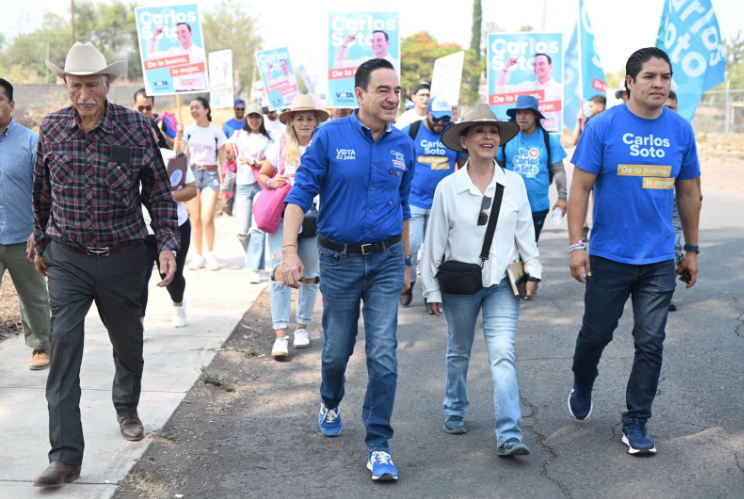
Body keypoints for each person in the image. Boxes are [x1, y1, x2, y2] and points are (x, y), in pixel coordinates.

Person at [32, 42, 179, 488]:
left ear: (108, 84)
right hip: (69, 259)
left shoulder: (135, 127)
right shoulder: (51, 128)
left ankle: (126, 406)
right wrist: (42, 243)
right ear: (66, 84)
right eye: (75, 85)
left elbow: (159, 193)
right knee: (63, 345)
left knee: (128, 342)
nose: (84, 95)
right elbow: (41, 194)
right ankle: (65, 456)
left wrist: (167, 245)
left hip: (124, 257)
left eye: (92, 85)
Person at [281, 58, 414, 482]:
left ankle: (379, 444)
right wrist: (289, 251)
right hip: (338, 261)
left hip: (387, 260)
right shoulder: (329, 136)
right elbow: (299, 195)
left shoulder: (404, 145)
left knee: (383, 353)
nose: (393, 98)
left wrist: (406, 262)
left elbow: (403, 207)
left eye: (397, 91)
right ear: (360, 94)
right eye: (383, 90)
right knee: (337, 350)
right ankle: (330, 399)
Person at [566, 47, 701, 456]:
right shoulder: (603, 126)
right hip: (609, 256)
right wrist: (577, 245)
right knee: (596, 335)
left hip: (658, 259)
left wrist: (691, 249)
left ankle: (636, 420)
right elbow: (580, 188)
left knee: (651, 342)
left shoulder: (680, 130)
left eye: (665, 77)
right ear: (630, 82)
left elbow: (689, 193)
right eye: (650, 77)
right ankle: (583, 380)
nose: (659, 84)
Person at [422, 104, 540, 456]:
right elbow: (434, 241)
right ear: (464, 141)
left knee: (503, 353)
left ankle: (509, 434)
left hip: (503, 282)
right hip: (460, 284)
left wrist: (533, 271)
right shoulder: (448, 187)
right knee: (459, 350)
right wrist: (430, 288)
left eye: (493, 132)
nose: (488, 137)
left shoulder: (514, 183)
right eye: (479, 131)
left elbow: (525, 233)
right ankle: (454, 408)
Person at [257, 95, 328, 358]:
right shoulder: (280, 147)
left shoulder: (323, 147)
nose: (305, 123)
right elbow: (263, 174)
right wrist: (270, 182)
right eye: (300, 118)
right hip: (282, 218)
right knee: (280, 272)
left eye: (310, 118)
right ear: (292, 122)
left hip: (312, 219)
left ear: (316, 121)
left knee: (309, 274)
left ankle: (302, 327)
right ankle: (280, 335)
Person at [0, 78, 52, 370]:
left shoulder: (31, 141)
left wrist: (39, 228)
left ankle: (41, 346)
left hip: (24, 236)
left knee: (33, 296)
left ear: (11, 104)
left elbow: (45, 189)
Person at [398, 96, 466, 310]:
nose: (440, 123)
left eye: (445, 119)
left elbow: (464, 165)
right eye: (436, 118)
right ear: (427, 113)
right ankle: (409, 282)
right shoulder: (412, 131)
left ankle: (431, 293)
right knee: (412, 245)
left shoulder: (453, 133)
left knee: (437, 251)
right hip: (414, 201)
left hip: (442, 203)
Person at [139, 122, 197, 330]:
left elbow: (191, 190)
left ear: (157, 135)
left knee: (170, 275)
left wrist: (162, 197)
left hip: (174, 227)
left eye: (149, 133)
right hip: (141, 230)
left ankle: (178, 303)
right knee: (139, 277)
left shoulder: (174, 158)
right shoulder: (127, 158)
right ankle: (138, 324)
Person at [496, 95, 568, 242]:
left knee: (529, 249)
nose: (521, 116)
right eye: (518, 112)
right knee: (508, 249)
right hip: (509, 206)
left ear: (535, 115)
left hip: (537, 208)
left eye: (527, 112)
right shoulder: (506, 139)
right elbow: (496, 170)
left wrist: (562, 197)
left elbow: (558, 170)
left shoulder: (548, 139)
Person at [179, 97, 227, 271]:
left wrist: (224, 183)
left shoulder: (216, 132)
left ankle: (210, 254)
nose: (193, 110)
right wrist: (178, 135)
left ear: (206, 110)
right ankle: (198, 255)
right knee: (196, 218)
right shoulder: (188, 130)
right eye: (191, 107)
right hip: (192, 174)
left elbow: (223, 159)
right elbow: (178, 151)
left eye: (197, 107)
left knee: (207, 217)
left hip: (211, 175)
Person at [229, 103, 272, 283]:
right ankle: (253, 258)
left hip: (261, 185)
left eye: (257, 116)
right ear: (246, 118)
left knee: (257, 228)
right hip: (243, 185)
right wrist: (229, 152)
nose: (254, 120)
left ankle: (254, 267)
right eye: (251, 116)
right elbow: (229, 152)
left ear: (262, 118)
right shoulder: (238, 135)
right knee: (243, 232)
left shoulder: (268, 138)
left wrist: (253, 162)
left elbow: (272, 161)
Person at [496, 53, 563, 132]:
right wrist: (506, 66)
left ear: (550, 66)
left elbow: (563, 115)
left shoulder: (559, 89)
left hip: (550, 132)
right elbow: (500, 91)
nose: (537, 67)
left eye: (541, 64)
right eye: (535, 65)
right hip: (529, 134)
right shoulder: (527, 86)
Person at [148, 22, 207, 92]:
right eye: (178, 33)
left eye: (183, 31)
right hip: (180, 92)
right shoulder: (173, 52)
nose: (180, 35)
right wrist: (154, 36)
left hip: (198, 91)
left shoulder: (201, 52)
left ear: (191, 34)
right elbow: (152, 57)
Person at [334, 30, 400, 74]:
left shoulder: (395, 64)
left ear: (387, 43)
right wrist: (345, 43)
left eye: (379, 40)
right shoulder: (365, 62)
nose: (375, 44)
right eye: (373, 41)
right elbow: (339, 66)